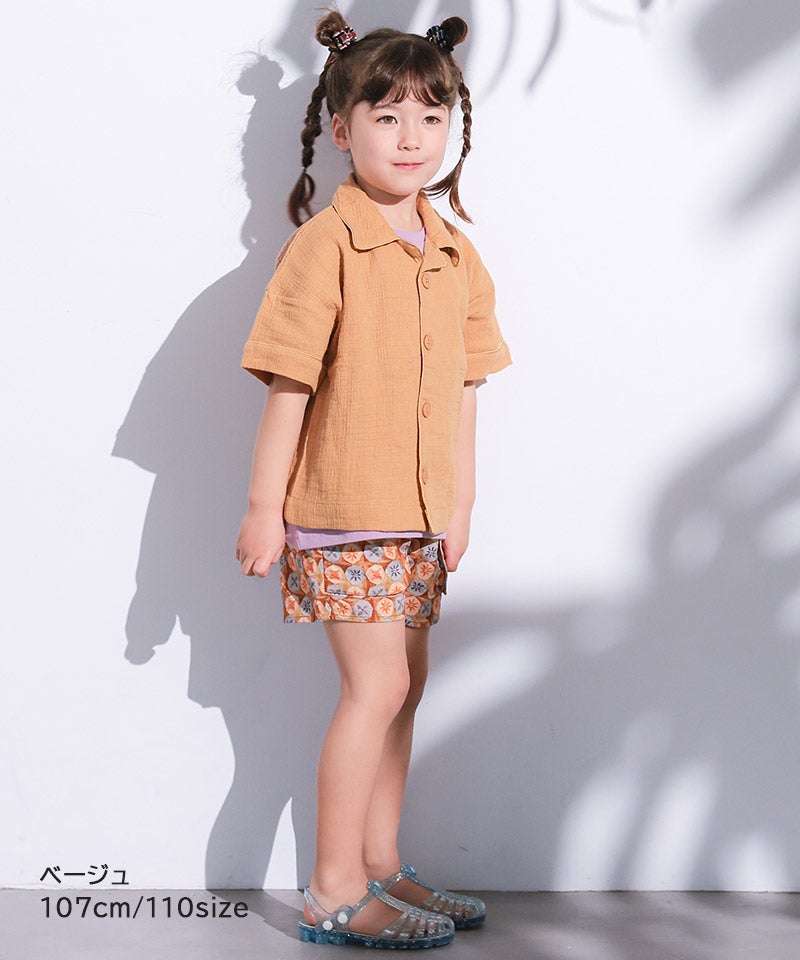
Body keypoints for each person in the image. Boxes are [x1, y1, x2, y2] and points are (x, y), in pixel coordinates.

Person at [235, 8, 512, 950]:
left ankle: (383, 864)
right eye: (387, 116)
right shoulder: (325, 246)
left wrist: (461, 506)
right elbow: (289, 385)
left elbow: (467, 390)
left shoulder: (454, 251)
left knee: (405, 687)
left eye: (431, 117)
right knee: (376, 687)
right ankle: (332, 889)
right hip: (344, 512)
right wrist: (262, 508)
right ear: (342, 127)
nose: (411, 137)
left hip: (420, 514)